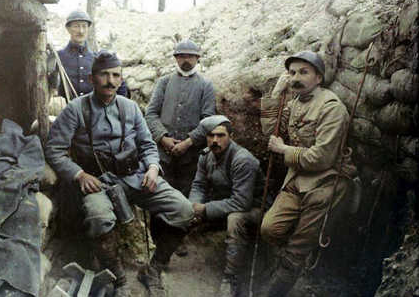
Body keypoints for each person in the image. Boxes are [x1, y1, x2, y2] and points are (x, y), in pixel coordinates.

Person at [44, 51, 193, 297]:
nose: (110, 81)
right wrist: (79, 174)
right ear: (92, 79)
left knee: (184, 210)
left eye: (116, 75)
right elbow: (54, 149)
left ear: (121, 79)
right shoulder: (75, 110)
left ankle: (153, 269)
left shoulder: (131, 108)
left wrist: (154, 169)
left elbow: (147, 145)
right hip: (98, 183)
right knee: (99, 218)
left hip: (136, 177)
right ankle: (119, 278)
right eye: (104, 75)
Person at [259, 51, 356, 297]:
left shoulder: (331, 108)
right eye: (292, 73)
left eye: (303, 72)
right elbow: (271, 134)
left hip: (326, 182)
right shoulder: (293, 103)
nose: (295, 78)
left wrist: (284, 149)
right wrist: (274, 96)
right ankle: (290, 264)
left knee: (298, 248)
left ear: (319, 77)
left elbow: (322, 158)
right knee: (270, 229)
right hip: (296, 179)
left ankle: (279, 286)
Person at [188, 115, 266, 297]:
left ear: (231, 136)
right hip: (226, 202)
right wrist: (194, 205)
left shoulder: (242, 160)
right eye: (210, 135)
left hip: (255, 208)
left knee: (234, 219)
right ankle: (157, 268)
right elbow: (198, 185)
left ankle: (231, 278)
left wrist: (205, 210)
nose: (215, 140)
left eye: (221, 135)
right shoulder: (206, 155)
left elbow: (241, 202)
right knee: (184, 209)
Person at [145, 39, 216, 196]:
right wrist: (163, 138)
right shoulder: (164, 82)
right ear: (176, 58)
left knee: (186, 198)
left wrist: (188, 143)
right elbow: (150, 113)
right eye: (182, 56)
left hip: (191, 157)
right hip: (163, 155)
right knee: (160, 196)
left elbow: (208, 120)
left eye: (190, 56)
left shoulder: (206, 85)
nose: (186, 60)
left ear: (198, 59)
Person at [54, 10, 127, 99]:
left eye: (84, 26)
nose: (81, 31)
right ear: (68, 29)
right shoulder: (58, 57)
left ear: (88, 29)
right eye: (76, 26)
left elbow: (119, 85)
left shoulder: (97, 59)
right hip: (67, 110)